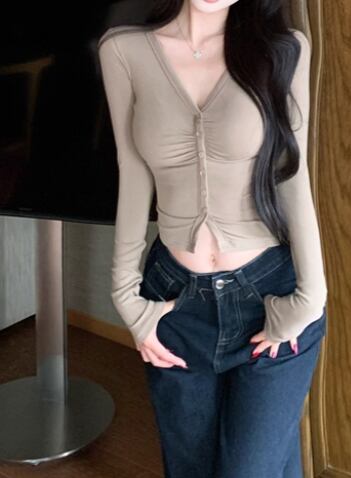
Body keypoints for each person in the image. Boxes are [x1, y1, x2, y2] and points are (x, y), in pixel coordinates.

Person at [97, 0, 328, 476]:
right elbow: (132, 170)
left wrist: (310, 298)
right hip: (176, 301)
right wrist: (125, 296)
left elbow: (292, 173)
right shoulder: (123, 51)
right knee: (191, 468)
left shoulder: (284, 49)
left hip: (269, 294)